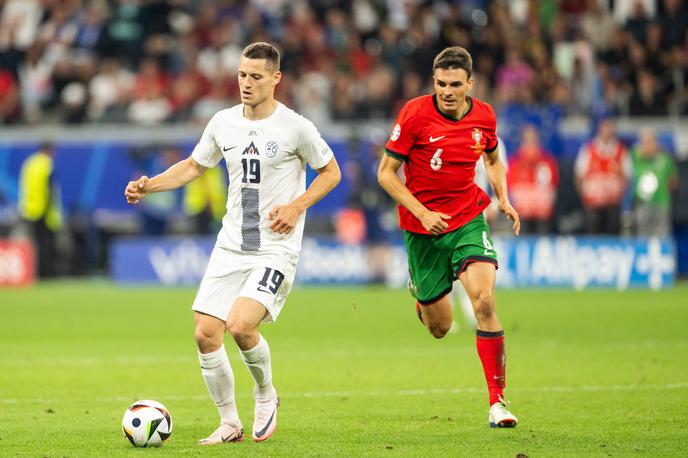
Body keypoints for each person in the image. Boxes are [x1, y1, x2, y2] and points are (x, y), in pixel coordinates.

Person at [124, 42, 341, 445]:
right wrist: (149, 185)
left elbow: (331, 173)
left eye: (256, 76)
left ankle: (266, 392)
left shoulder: (295, 126)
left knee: (241, 325)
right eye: (242, 74)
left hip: (276, 247)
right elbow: (193, 165)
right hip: (231, 245)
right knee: (206, 333)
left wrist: (296, 206)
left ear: (275, 79)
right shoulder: (223, 123)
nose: (246, 83)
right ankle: (229, 423)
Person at [378, 46, 521, 428]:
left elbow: (492, 158)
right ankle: (422, 296)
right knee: (440, 328)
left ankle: (497, 403)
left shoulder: (485, 116)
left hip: (467, 218)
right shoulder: (414, 114)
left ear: (470, 84)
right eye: (440, 83)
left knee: (485, 302)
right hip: (422, 228)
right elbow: (386, 174)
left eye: (455, 84)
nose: (446, 90)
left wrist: (503, 197)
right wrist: (423, 213)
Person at [574, 118, 631, 234]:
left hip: (613, 203)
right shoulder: (588, 149)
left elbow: (627, 176)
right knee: (592, 230)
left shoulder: (621, 150)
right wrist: (584, 196)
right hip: (593, 202)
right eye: (604, 128)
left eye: (609, 128)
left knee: (613, 229)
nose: (606, 132)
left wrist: (619, 194)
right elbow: (579, 175)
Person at [18, 142, 62, 278]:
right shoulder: (46, 164)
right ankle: (47, 274)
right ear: (48, 150)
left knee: (35, 244)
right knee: (47, 245)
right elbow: (50, 190)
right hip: (44, 211)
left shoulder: (29, 164)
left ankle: (36, 273)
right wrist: (52, 212)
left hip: (30, 210)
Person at [507, 125, 559, 234]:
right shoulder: (514, 162)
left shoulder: (548, 161)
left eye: (533, 139)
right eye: (527, 139)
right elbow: (509, 188)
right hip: (521, 213)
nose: (530, 142)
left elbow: (553, 186)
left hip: (542, 214)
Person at [630, 128, 677, 236]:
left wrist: (662, 189)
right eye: (645, 142)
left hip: (661, 202)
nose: (649, 145)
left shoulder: (665, 158)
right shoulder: (636, 156)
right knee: (643, 233)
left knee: (662, 233)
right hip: (642, 203)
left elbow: (673, 180)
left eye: (651, 141)